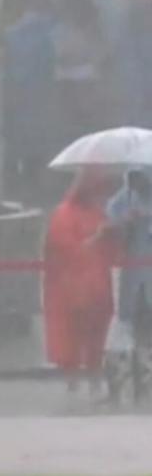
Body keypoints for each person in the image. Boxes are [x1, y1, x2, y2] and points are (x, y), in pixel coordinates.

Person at [43, 168, 118, 404]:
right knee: (72, 337)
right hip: (72, 288)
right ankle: (72, 384)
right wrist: (97, 237)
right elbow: (65, 249)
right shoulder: (63, 214)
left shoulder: (98, 212)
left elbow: (111, 253)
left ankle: (94, 380)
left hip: (97, 287)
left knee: (97, 336)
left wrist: (114, 235)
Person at [102, 168, 152, 406]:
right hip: (131, 275)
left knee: (145, 331)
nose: (138, 182)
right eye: (133, 177)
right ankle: (122, 384)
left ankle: (144, 383)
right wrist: (125, 221)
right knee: (126, 326)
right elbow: (110, 222)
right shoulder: (124, 198)